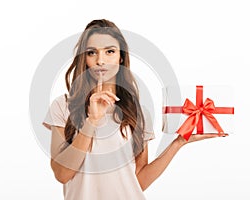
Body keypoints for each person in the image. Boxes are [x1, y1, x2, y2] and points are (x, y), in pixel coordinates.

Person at [42, 19, 227, 200]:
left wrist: (178, 143)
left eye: (109, 52)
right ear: (84, 58)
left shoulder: (136, 113)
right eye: (92, 53)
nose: (100, 60)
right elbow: (62, 174)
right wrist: (91, 121)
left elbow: (138, 180)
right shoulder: (63, 106)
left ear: (121, 57)